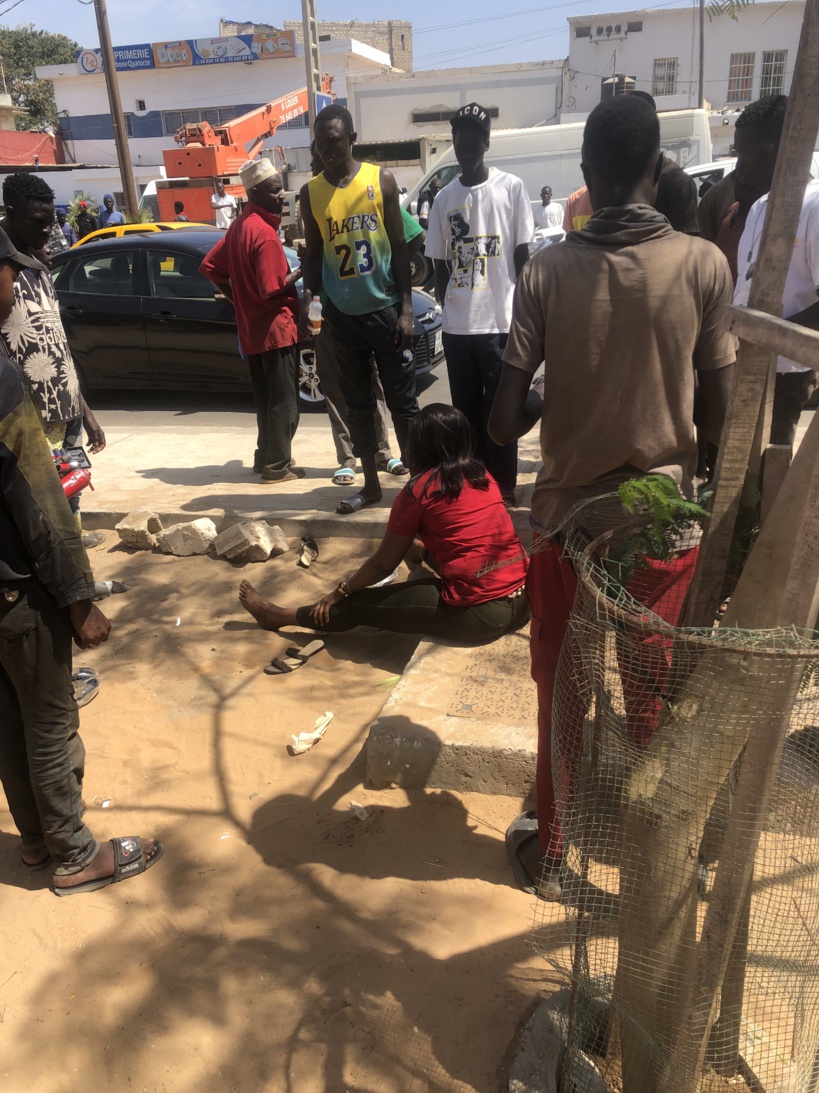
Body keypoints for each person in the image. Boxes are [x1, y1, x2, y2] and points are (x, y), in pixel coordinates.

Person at [488, 94, 736, 899]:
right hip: (663, 529)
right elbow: (717, 410)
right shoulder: (703, 264)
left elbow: (501, 420)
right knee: (652, 699)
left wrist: (554, 388)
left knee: (562, 690)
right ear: (657, 171)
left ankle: (552, 853)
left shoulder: (546, 272)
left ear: (586, 177)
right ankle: (668, 863)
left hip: (566, 528)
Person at [0, 348, 163, 894]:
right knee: (48, 724)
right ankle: (73, 854)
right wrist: (77, 598)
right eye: (15, 269)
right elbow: (36, 497)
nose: (23, 280)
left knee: (8, 723)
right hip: (17, 588)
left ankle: (35, 840)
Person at [239, 403, 530, 643]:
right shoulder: (482, 476)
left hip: (482, 614)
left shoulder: (420, 491)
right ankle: (416, 587)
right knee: (413, 547)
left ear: (418, 446)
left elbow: (382, 565)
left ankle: (277, 616)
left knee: (356, 604)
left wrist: (340, 590)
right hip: (524, 601)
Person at [300, 103, 418, 515]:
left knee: (403, 402)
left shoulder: (379, 180)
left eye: (334, 141)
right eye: (320, 143)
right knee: (359, 405)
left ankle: (419, 487)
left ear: (352, 139)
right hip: (342, 317)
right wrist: (310, 298)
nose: (327, 149)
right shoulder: (310, 192)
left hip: (384, 310)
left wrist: (406, 308)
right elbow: (313, 255)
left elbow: (401, 248)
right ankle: (370, 486)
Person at [425, 101, 533, 507]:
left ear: (486, 144)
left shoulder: (511, 189)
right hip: (457, 329)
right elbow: (439, 262)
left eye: (472, 140)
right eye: (458, 139)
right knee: (465, 415)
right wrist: (448, 302)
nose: (465, 147)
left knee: (501, 411)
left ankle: (504, 487)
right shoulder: (442, 200)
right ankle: (475, 486)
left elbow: (522, 257)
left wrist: (525, 313)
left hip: (500, 322)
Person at [200, 159, 303, 481]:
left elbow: (211, 268)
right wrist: (301, 271)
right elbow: (272, 287)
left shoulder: (241, 225)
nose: (282, 195)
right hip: (276, 329)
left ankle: (264, 458)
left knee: (266, 401)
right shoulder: (265, 234)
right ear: (256, 192)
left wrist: (237, 300)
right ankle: (277, 466)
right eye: (275, 191)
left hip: (253, 332)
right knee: (284, 404)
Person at [735, 99, 819, 449]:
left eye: (748, 152)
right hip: (746, 363)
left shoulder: (815, 206)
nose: (739, 166)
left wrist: (766, 334)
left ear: (781, 148)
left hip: (786, 371)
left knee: (771, 470)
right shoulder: (758, 207)